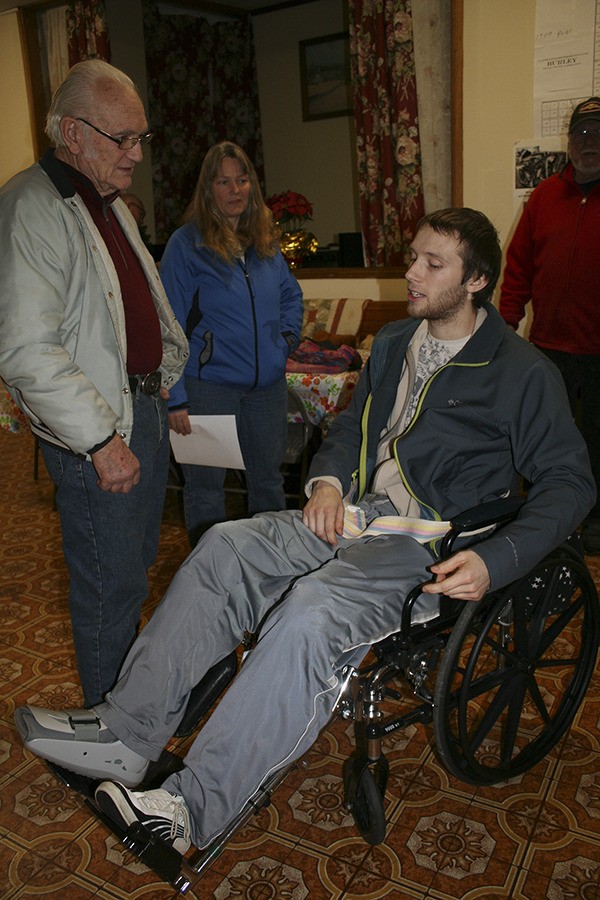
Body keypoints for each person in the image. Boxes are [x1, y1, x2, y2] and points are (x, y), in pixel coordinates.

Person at [15, 208, 595, 856]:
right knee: (225, 547)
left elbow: (572, 484)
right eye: (413, 257)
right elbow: (350, 429)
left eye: (433, 264)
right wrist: (325, 482)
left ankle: (190, 810)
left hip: (429, 542)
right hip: (359, 515)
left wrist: (498, 558)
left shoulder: (520, 371)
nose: (412, 271)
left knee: (311, 612)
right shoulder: (397, 343)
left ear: (478, 280)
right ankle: (126, 735)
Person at [0, 60, 188, 708]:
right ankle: (109, 738)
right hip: (99, 436)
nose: (136, 154)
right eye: (123, 138)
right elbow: (26, 349)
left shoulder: (102, 202)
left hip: (139, 413)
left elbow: (125, 307)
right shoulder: (32, 207)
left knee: (132, 578)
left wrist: (156, 380)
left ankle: (125, 715)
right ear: (74, 132)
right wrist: (102, 439)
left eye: (142, 138)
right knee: (109, 590)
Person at [159, 141, 303, 545]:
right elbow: (167, 323)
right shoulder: (186, 246)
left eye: (242, 180)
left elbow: (290, 295)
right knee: (206, 490)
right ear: (208, 189)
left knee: (269, 486)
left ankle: (270, 571)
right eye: (224, 181)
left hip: (266, 391)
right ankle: (212, 580)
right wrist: (176, 397)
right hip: (208, 389)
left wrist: (285, 340)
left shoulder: (265, 242)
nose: (235, 190)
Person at [500, 96, 600, 554]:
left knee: (596, 442)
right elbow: (518, 267)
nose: (589, 142)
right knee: (541, 440)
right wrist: (504, 329)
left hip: (598, 354)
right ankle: (543, 521)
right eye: (581, 133)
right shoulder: (544, 197)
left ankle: (594, 526)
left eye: (598, 133)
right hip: (547, 351)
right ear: (569, 141)